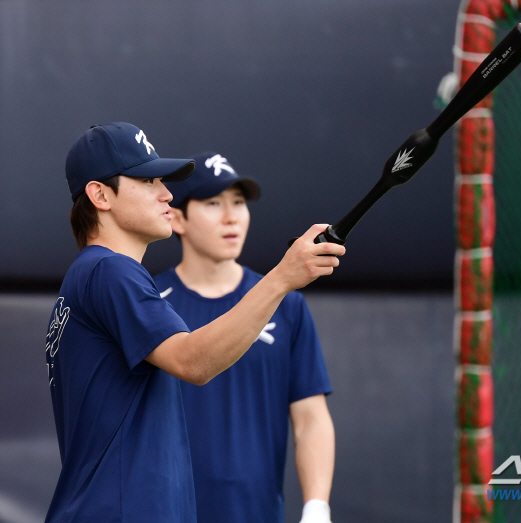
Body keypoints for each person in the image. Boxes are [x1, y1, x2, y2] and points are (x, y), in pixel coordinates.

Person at [44, 122, 344, 523]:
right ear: (100, 194)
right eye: (148, 179)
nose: (167, 193)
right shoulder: (110, 271)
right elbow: (193, 362)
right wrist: (283, 277)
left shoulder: (91, 275)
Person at [153, 151, 334, 523]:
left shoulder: (287, 305)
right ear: (178, 218)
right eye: (213, 202)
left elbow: (311, 418)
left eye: (238, 202)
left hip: (258, 513)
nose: (231, 215)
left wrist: (317, 506)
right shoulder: (149, 303)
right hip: (168, 512)